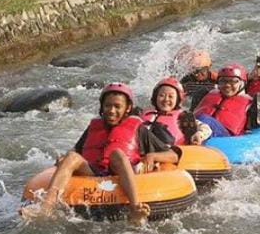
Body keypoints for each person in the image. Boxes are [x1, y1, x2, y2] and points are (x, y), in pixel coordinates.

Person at [20, 82, 179, 224]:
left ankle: (134, 208)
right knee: (71, 157)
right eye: (108, 106)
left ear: (127, 109)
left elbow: (173, 155)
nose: (111, 111)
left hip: (122, 171)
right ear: (102, 107)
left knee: (116, 153)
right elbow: (77, 151)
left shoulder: (139, 129)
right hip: (93, 172)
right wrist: (63, 159)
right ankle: (46, 206)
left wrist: (152, 155)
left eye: (117, 106)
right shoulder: (94, 127)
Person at [141, 77, 211, 145]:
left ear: (178, 100)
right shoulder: (145, 114)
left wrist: (199, 135)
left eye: (170, 96)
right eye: (161, 95)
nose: (166, 99)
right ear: (155, 97)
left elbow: (206, 129)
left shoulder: (183, 117)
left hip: (176, 152)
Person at [194, 64, 254, 137]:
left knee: (203, 118)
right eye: (223, 81)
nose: (227, 85)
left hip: (226, 137)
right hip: (200, 128)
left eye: (233, 81)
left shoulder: (250, 103)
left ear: (242, 84)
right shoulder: (209, 93)